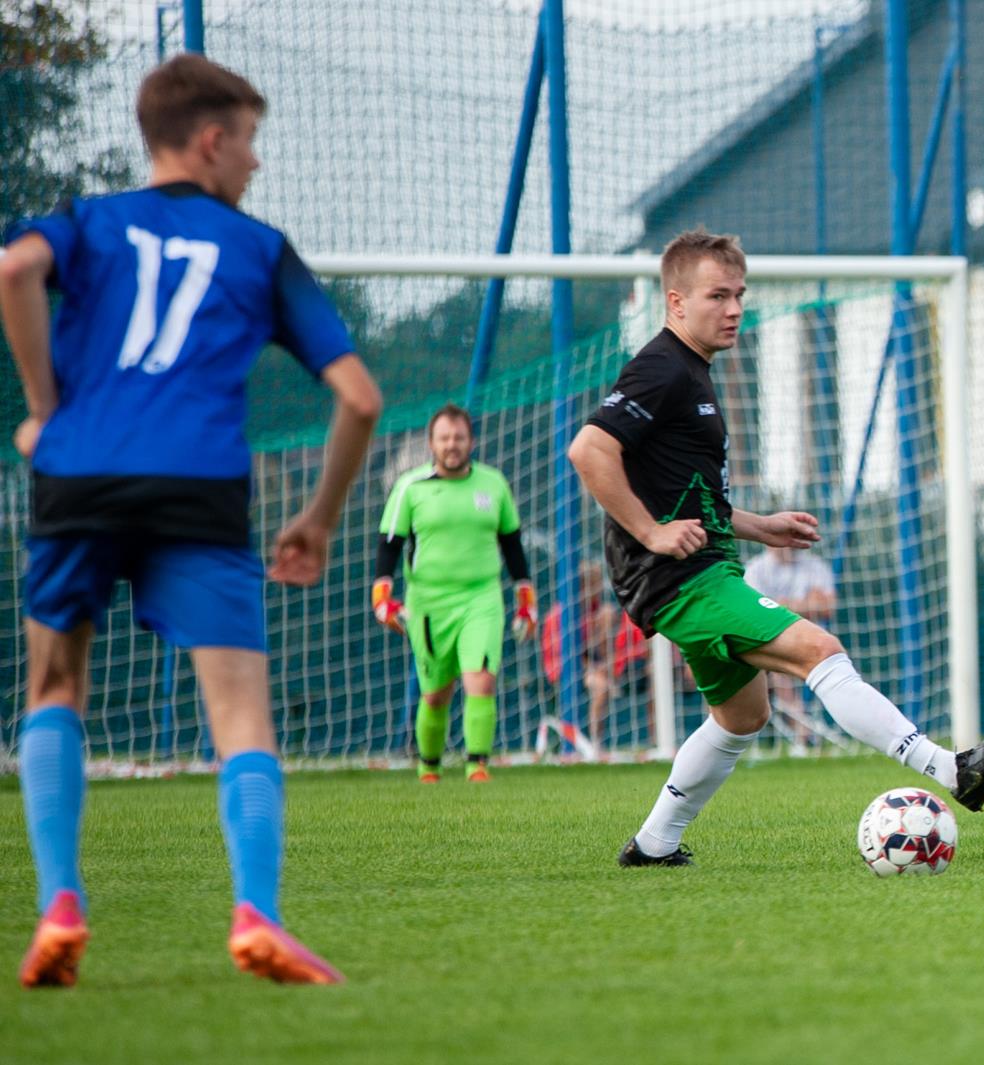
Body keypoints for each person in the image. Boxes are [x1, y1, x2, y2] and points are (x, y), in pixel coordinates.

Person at [0, 54, 382, 987]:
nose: (254, 163)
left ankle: (60, 904)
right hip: (201, 490)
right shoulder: (260, 248)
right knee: (240, 713)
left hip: (78, 477)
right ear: (211, 140)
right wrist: (321, 519)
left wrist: (47, 406)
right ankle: (255, 911)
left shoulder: (88, 222)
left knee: (54, 689)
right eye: (249, 141)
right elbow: (361, 398)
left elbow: (13, 268)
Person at [567, 227, 984, 868]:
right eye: (717, 295)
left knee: (742, 715)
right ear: (675, 302)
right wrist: (652, 534)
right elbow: (589, 450)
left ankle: (653, 844)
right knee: (819, 650)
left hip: (703, 569)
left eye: (739, 294)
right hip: (682, 581)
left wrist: (759, 527)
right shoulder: (661, 367)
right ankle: (949, 766)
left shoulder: (690, 371)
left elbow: (688, 499)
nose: (734, 309)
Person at [373, 403, 536, 783]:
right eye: (444, 438)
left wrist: (525, 599)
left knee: (481, 678)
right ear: (431, 443)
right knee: (436, 694)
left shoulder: (493, 484)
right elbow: (389, 544)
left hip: (482, 598)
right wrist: (381, 597)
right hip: (428, 603)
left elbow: (512, 544)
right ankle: (429, 766)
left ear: (471, 441)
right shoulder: (409, 488)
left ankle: (477, 766)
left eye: (459, 437)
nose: (452, 444)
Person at [539, 560, 650, 754]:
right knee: (600, 686)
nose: (599, 589)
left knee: (651, 678)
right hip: (565, 671)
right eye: (595, 585)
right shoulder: (558, 615)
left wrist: (602, 635)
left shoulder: (600, 611)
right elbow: (564, 658)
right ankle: (593, 744)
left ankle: (656, 740)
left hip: (599, 668)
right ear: (582, 586)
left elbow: (606, 652)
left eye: (599, 584)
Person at [742, 545, 836, 747]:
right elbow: (757, 615)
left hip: (813, 643)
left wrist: (782, 605)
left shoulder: (815, 565)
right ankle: (803, 734)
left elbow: (827, 606)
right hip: (770, 645)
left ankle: (809, 733)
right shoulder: (756, 569)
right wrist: (805, 604)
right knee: (778, 668)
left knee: (835, 657)